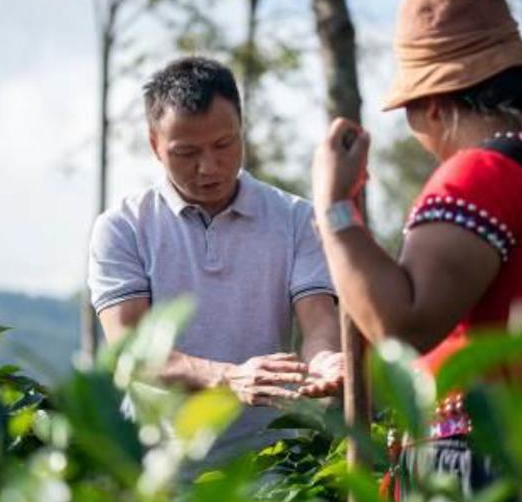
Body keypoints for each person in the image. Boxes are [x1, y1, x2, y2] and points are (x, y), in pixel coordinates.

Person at [311, 0, 522, 500]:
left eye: (412, 112)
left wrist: (333, 209)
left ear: (436, 105)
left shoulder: (476, 177)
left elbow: (404, 326)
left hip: (483, 477)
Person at [88, 56, 343, 474]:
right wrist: (227, 377)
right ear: (155, 145)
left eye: (224, 145)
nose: (209, 167)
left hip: (272, 469)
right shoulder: (123, 228)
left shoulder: (296, 218)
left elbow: (318, 320)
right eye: (186, 152)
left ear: (241, 129)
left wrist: (325, 361)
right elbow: (129, 349)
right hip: (156, 472)